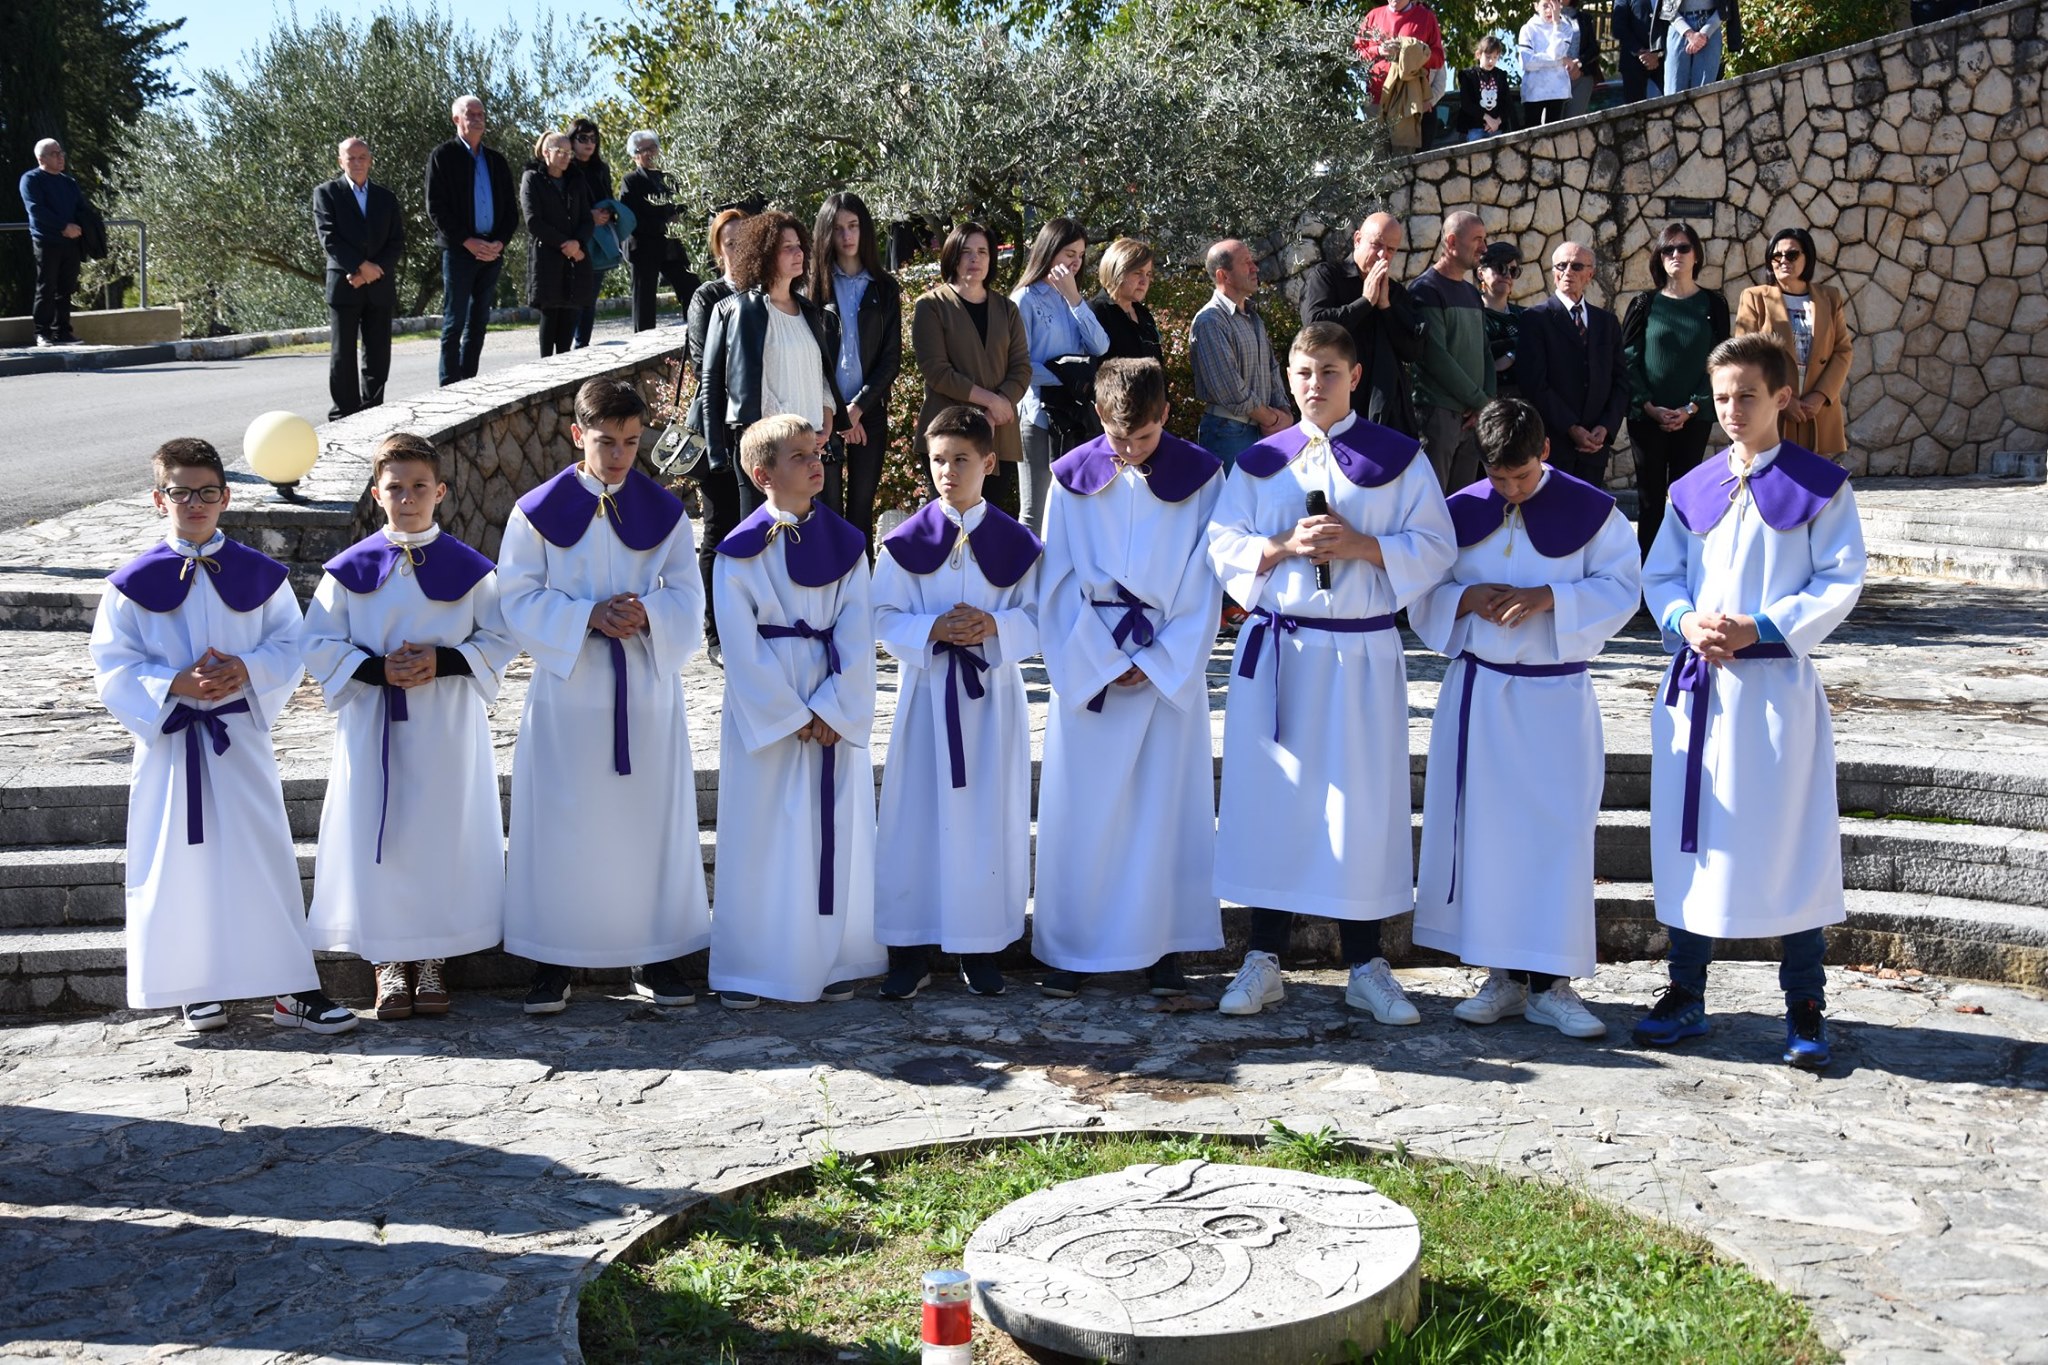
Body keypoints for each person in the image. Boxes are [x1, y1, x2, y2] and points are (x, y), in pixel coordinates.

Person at [1206, 323, 1456, 1021]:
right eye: (1304, 372)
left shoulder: (1398, 458)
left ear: (1353, 377)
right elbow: (1221, 544)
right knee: (1274, 800)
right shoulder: (1259, 461)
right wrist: (1285, 545)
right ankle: (1263, 957)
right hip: (1282, 651)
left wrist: (1364, 545)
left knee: (1360, 804)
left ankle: (1365, 962)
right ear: (1289, 377)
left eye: (1329, 371)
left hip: (1359, 652)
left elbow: (1436, 546)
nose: (1315, 384)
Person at [1634, 333, 1865, 1070]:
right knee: (1696, 841)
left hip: (1773, 696)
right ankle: (1686, 991)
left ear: (1783, 399)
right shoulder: (1692, 487)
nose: (1732, 410)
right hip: (1701, 692)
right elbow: (1662, 574)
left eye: (1748, 396)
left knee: (1788, 842)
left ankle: (1805, 1003)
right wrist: (1683, 620)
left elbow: (1839, 579)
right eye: (1723, 396)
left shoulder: (1820, 486)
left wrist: (1762, 626)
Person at [89, 438, 354, 1036]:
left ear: (226, 497)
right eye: (181, 492)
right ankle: (194, 986)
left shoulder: (259, 576)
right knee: (180, 862)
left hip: (238, 734)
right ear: (160, 499)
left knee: (261, 856)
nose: (195, 503)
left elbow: (291, 642)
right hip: (171, 740)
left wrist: (246, 670)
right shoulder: (130, 585)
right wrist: (173, 681)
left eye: (207, 492)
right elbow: (111, 664)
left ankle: (291, 987)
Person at [1410, 398, 1642, 1039]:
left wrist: (1551, 599)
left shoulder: (1592, 515)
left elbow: (1624, 587)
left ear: (1544, 453)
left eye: (1521, 476)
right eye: (1499, 478)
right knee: (1487, 838)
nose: (1510, 491)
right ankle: (1503, 980)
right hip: (1480, 695)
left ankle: (1553, 986)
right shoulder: (1460, 512)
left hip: (1553, 698)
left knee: (1556, 836)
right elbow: (1422, 589)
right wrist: (1464, 598)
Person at [496, 379, 712, 1014]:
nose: (619, 456)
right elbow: (517, 597)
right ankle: (552, 958)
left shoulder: (664, 511)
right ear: (576, 436)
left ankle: (658, 952)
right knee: (562, 823)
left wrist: (648, 614)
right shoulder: (535, 512)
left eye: (631, 443)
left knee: (649, 822)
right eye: (606, 442)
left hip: (644, 692)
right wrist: (586, 616)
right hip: (570, 695)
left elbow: (689, 597)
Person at [301, 434, 520, 1020]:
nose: (407, 497)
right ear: (377, 494)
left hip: (445, 720)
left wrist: (441, 661)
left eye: (419, 486)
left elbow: (500, 637)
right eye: (394, 487)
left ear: (441, 492)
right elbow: (317, 641)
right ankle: (389, 962)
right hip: (375, 721)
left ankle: (432, 959)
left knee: (439, 834)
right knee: (384, 835)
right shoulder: (348, 572)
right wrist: (374, 669)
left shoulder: (470, 569)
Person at [1035, 358, 1225, 998]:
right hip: (1094, 670)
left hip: (1165, 671)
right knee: (1085, 813)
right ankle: (1072, 949)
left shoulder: (1202, 478)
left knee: (1162, 812)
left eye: (1142, 440)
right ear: (1098, 417)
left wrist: (1158, 658)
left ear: (1166, 416)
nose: (1130, 453)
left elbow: (1207, 575)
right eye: (1118, 440)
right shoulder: (1070, 480)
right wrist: (1105, 659)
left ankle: (1164, 946)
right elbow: (1056, 581)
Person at [710, 415, 884, 1007]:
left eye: (818, 453)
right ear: (762, 475)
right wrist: (791, 714)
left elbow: (860, 627)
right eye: (799, 457)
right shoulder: (736, 554)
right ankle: (753, 967)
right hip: (770, 709)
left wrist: (834, 707)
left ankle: (832, 959)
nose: (818, 463)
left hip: (829, 698)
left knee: (828, 833)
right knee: (764, 834)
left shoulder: (848, 542)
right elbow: (739, 643)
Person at [872, 406, 1043, 999]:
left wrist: (995, 626)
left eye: (961, 460)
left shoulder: (1018, 544)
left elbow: (1041, 615)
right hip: (927, 699)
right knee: (915, 820)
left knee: (986, 822)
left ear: (990, 464)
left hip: (991, 699)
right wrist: (933, 630)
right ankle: (910, 949)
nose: (947, 471)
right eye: (938, 460)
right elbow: (881, 615)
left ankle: (980, 948)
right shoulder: (904, 543)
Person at [701, 211, 844, 522]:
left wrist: (826, 417)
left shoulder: (807, 310)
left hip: (813, 447)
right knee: (767, 538)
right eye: (786, 247)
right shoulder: (746, 310)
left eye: (799, 245)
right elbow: (748, 384)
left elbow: (820, 373)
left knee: (813, 539)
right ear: (765, 254)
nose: (798, 253)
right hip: (770, 451)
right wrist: (794, 435)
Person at [1623, 223, 1731, 558]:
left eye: (1683, 248)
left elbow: (1720, 359)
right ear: (1659, 256)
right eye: (1668, 249)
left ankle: (1682, 575)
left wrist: (1692, 407)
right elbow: (1628, 359)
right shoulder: (1644, 302)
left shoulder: (1713, 303)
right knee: (1650, 500)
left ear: (1696, 255)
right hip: (1647, 418)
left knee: (1687, 499)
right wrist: (1649, 406)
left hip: (1693, 418)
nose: (1675, 255)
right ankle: (1646, 582)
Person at [910, 222, 1033, 512]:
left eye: (982, 252)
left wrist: (995, 411)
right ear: (952, 256)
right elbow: (936, 371)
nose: (974, 259)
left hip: (998, 435)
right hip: (948, 433)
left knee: (991, 522)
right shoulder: (931, 306)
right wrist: (990, 402)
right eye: (966, 252)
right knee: (950, 520)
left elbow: (1021, 367)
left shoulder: (1006, 308)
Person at [810, 191, 902, 554]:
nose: (847, 237)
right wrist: (838, 413)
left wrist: (859, 408)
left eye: (854, 226)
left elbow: (890, 358)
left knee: (861, 509)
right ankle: (829, 593)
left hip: (870, 414)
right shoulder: (813, 288)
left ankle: (860, 595)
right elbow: (813, 359)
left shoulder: (884, 287)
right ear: (825, 234)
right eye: (837, 229)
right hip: (824, 416)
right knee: (827, 511)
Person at [1012, 217, 1112, 535]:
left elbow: (1101, 344)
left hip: (1076, 416)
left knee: (1074, 505)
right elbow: (1019, 366)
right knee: (1035, 509)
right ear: (1050, 250)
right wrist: (1067, 377)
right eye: (1069, 253)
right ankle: (1026, 583)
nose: (1075, 262)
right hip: (1038, 416)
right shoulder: (1024, 299)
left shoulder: (1073, 297)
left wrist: (1075, 299)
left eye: (1080, 255)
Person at [686, 207, 751, 658]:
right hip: (718, 432)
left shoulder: (772, 294)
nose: (737, 249)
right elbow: (702, 364)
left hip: (762, 435)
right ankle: (715, 633)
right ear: (718, 251)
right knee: (718, 528)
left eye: (744, 240)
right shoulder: (708, 297)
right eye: (729, 242)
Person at [1514, 240, 1630, 487]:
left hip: (1595, 448)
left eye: (1577, 266)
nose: (1568, 272)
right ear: (1553, 273)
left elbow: (1621, 381)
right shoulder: (1535, 319)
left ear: (1591, 274)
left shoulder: (1607, 323)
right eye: (1561, 265)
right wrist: (1571, 427)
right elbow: (1534, 383)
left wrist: (1606, 428)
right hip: (1554, 444)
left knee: (1588, 519)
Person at [1298, 212, 1425, 436]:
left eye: (1391, 250)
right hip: (1337, 406)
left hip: (1386, 412)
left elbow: (1412, 351)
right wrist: (1365, 302)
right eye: (1376, 245)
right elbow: (1315, 328)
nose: (1381, 255)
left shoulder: (1394, 292)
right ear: (1357, 239)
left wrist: (1385, 306)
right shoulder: (1328, 277)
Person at [424, 95, 518, 386]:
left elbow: (511, 211)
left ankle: (469, 381)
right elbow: (436, 208)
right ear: (456, 119)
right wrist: (467, 241)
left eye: (481, 113)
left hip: (492, 251)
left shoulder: (496, 160)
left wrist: (499, 243)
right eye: (470, 114)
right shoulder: (442, 156)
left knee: (479, 322)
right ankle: (449, 385)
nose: (477, 118)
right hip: (460, 251)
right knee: (455, 322)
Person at [1735, 227, 1853, 458]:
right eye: (1776, 255)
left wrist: (1820, 396)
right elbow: (1746, 354)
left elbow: (1842, 350)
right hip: (1773, 406)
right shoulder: (1755, 297)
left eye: (1792, 255)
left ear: (1807, 258)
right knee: (1773, 480)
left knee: (1815, 483)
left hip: (1816, 408)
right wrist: (1781, 398)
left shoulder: (1829, 297)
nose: (1783, 261)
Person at [312, 137, 404, 420]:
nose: (357, 162)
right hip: (345, 284)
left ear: (370, 160)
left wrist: (373, 271)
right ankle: (345, 413)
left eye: (362, 157)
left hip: (378, 284)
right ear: (341, 162)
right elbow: (329, 238)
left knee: (378, 353)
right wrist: (361, 267)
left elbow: (396, 241)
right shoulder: (326, 193)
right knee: (343, 354)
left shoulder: (386, 198)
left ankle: (373, 408)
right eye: (351, 158)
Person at [1190, 239, 1292, 472]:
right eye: (1246, 263)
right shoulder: (1210, 321)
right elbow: (1230, 388)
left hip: (1264, 431)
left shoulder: (1253, 317)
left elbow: (1271, 369)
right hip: (1229, 434)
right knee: (1233, 507)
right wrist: (1273, 419)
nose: (1255, 268)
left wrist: (1285, 413)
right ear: (1223, 275)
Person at [1409, 212, 1495, 490]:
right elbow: (1436, 356)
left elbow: (1485, 350)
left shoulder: (1472, 293)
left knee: (1462, 506)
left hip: (1473, 417)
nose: (1484, 248)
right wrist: (1479, 400)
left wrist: (1487, 402)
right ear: (1452, 242)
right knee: (1432, 505)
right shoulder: (1425, 290)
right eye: (1477, 240)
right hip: (1438, 415)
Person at [520, 130, 596, 359]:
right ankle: (546, 369)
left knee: (571, 312)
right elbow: (533, 221)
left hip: (576, 257)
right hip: (548, 256)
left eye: (568, 152)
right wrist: (565, 244)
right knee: (551, 313)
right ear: (546, 153)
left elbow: (586, 218)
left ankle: (565, 369)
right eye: (560, 151)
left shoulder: (576, 179)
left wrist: (578, 243)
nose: (565, 157)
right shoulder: (532, 178)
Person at [620, 130, 701, 334]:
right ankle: (643, 346)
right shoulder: (631, 181)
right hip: (644, 247)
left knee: (691, 286)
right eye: (642, 150)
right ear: (634, 155)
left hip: (670, 245)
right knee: (644, 300)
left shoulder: (668, 177)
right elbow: (633, 216)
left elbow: (681, 204)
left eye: (652, 148)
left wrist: (678, 217)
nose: (649, 153)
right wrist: (664, 224)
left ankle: (694, 333)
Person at [1355, 0, 1447, 150]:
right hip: (1376, 99)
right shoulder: (1373, 16)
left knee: (1404, 161)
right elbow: (1357, 53)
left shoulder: (1426, 17)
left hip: (1407, 102)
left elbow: (1438, 58)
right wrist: (1379, 50)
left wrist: (1415, 52)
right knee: (1376, 162)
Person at [19, 139, 84, 346]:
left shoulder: (69, 183)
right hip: (46, 241)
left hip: (71, 243)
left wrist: (86, 229)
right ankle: (42, 333)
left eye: (61, 152)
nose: (60, 157)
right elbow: (35, 209)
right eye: (55, 153)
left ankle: (63, 331)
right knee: (46, 287)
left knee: (66, 288)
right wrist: (63, 226)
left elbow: (80, 208)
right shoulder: (31, 180)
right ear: (41, 158)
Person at [566, 118, 615, 350]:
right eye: (583, 138)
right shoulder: (566, 167)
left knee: (591, 296)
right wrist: (589, 216)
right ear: (572, 140)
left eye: (593, 139)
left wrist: (607, 213)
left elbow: (609, 195)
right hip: (575, 237)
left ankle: (582, 345)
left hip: (599, 240)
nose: (589, 143)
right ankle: (567, 348)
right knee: (574, 296)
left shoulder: (601, 168)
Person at [1089, 237, 1163, 363]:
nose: (1144, 281)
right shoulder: (1096, 312)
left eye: (1148, 274)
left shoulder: (1144, 315)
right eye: (1137, 273)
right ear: (1117, 272)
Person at [1518, 0, 1581, 126]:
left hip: (1557, 91)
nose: (1549, 10)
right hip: (1534, 92)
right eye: (1545, 5)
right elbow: (1527, 62)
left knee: (1554, 134)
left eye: (1553, 6)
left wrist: (1556, 23)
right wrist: (1561, 61)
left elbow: (1555, 53)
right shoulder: (1528, 29)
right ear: (1536, 6)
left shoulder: (1565, 28)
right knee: (1532, 134)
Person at [1476, 241, 1526, 398]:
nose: (1507, 275)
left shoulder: (1525, 316)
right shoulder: (1471, 314)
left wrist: (1511, 355)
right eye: (1500, 268)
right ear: (1481, 273)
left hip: (1524, 403)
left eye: (1513, 271)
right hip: (1484, 402)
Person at [1663, 0, 1742, 91]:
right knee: (1674, 89)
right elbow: (1667, 8)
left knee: (1704, 91)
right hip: (1678, 28)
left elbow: (1725, 7)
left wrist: (1705, 33)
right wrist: (1689, 33)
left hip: (1711, 26)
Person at [1455, 36, 1522, 141]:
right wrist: (1487, 118)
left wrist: (1497, 121)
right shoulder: (1468, 76)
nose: (1491, 60)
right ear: (1478, 54)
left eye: (1495, 57)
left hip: (1496, 129)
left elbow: (1508, 104)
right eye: (1488, 56)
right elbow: (1466, 104)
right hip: (1474, 129)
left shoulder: (1500, 75)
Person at [1613, 0, 1666, 102]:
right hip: (1632, 63)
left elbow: (1671, 23)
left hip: (1664, 60)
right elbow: (1618, 27)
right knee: (1634, 112)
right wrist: (1640, 51)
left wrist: (1657, 52)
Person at [1564, 3, 1605, 116]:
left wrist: (1579, 63)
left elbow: (1594, 49)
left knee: (1573, 122)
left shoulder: (1584, 18)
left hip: (1581, 76)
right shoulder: (1544, 17)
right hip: (1555, 78)